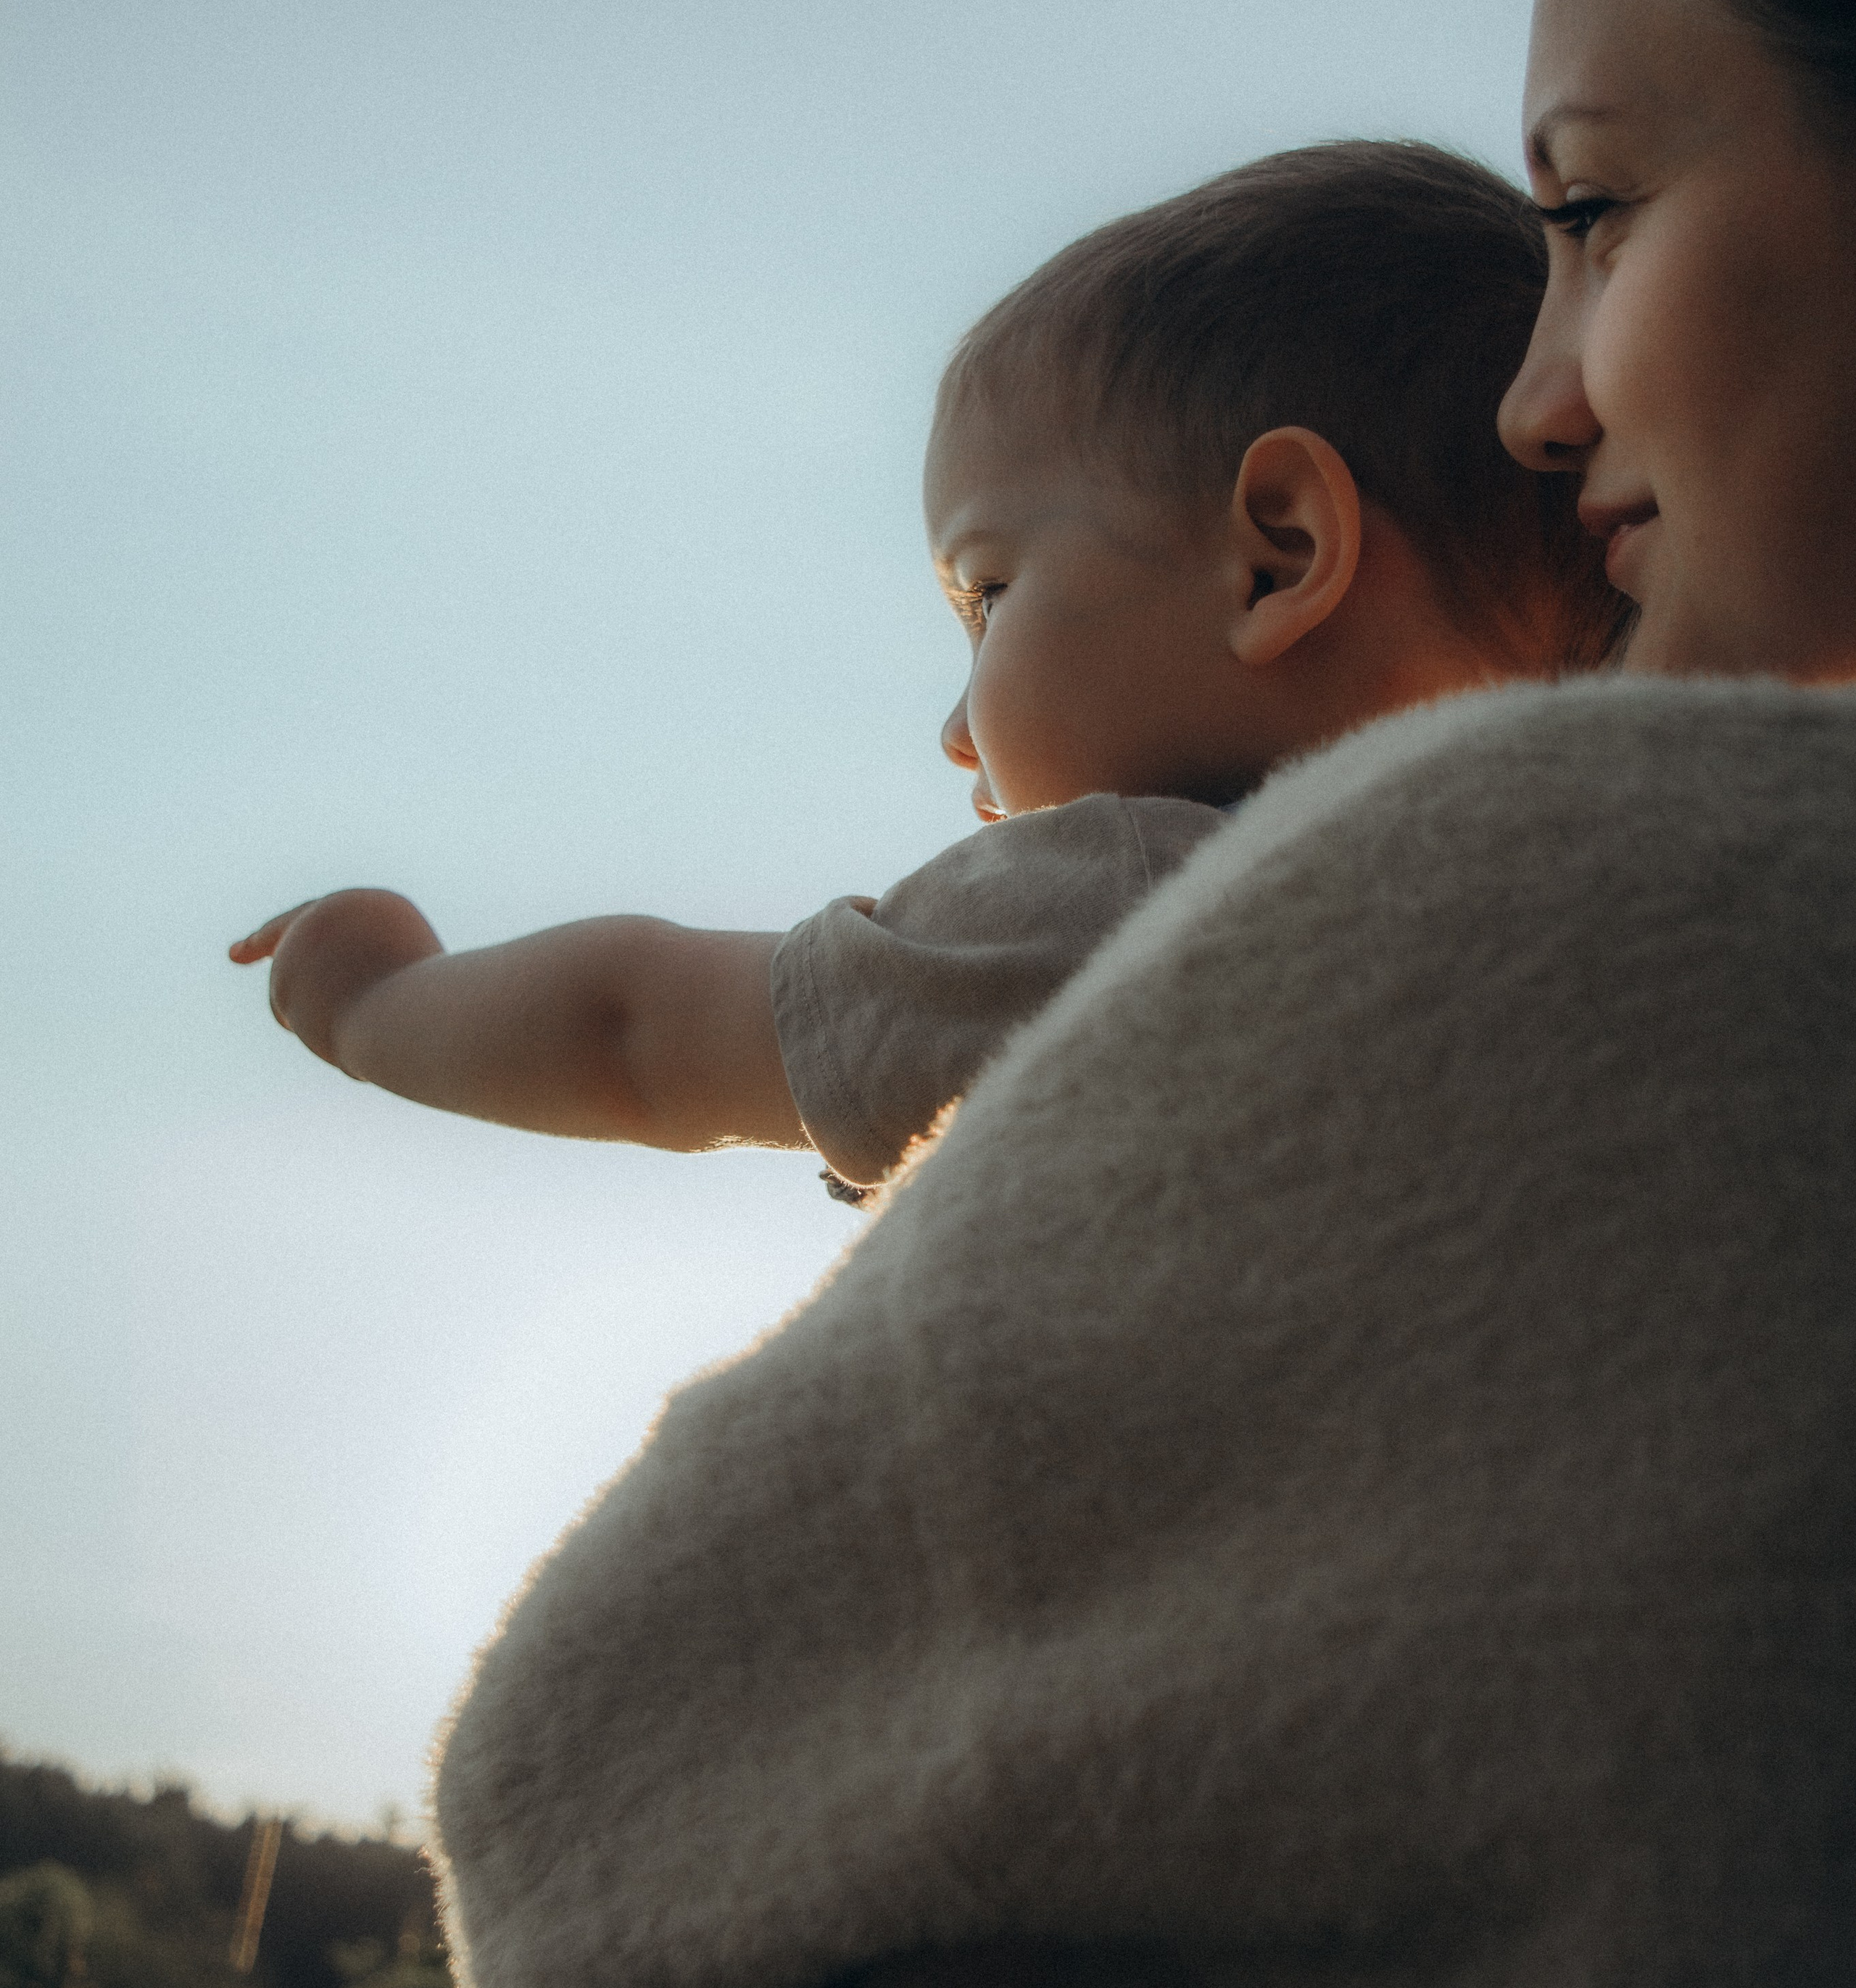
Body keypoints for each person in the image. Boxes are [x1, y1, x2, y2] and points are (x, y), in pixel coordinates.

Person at [431, 0, 1856, 1988]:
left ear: (1285, 548)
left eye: (1596, 206)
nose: (1549, 405)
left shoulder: (1557, 913)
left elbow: (587, 1829)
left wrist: (379, 996)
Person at [231, 144, 1613, 1204]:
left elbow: (633, 1031)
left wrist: (373, 1005)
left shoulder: (1141, 903)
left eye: (991, 591)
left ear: (1276, 555)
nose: (960, 730)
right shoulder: (1589, 919)